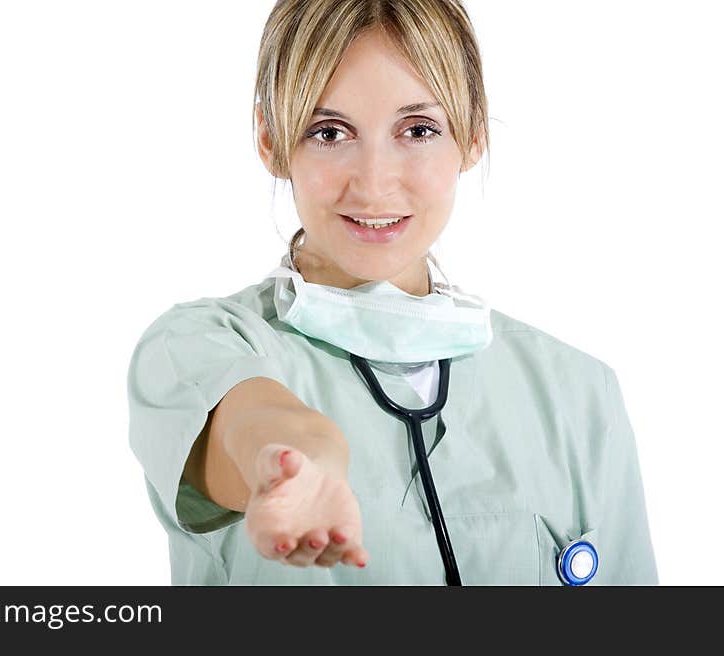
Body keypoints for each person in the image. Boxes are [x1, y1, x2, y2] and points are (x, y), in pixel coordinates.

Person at [127, 0, 658, 585]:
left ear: (472, 134)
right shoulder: (198, 346)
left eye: (418, 130)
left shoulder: (577, 395)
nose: (375, 182)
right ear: (270, 140)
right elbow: (254, 425)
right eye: (329, 132)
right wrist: (299, 461)